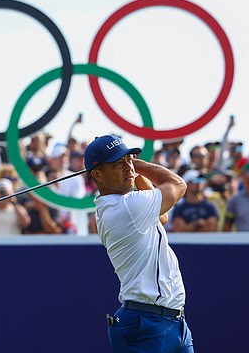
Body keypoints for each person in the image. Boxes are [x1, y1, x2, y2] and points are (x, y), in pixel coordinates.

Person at [85, 134, 192, 352]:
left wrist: (131, 169)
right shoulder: (127, 208)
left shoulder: (122, 205)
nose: (127, 167)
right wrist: (138, 165)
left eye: (128, 160)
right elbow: (177, 184)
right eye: (118, 164)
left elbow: (162, 218)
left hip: (171, 321)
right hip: (148, 325)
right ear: (97, 174)